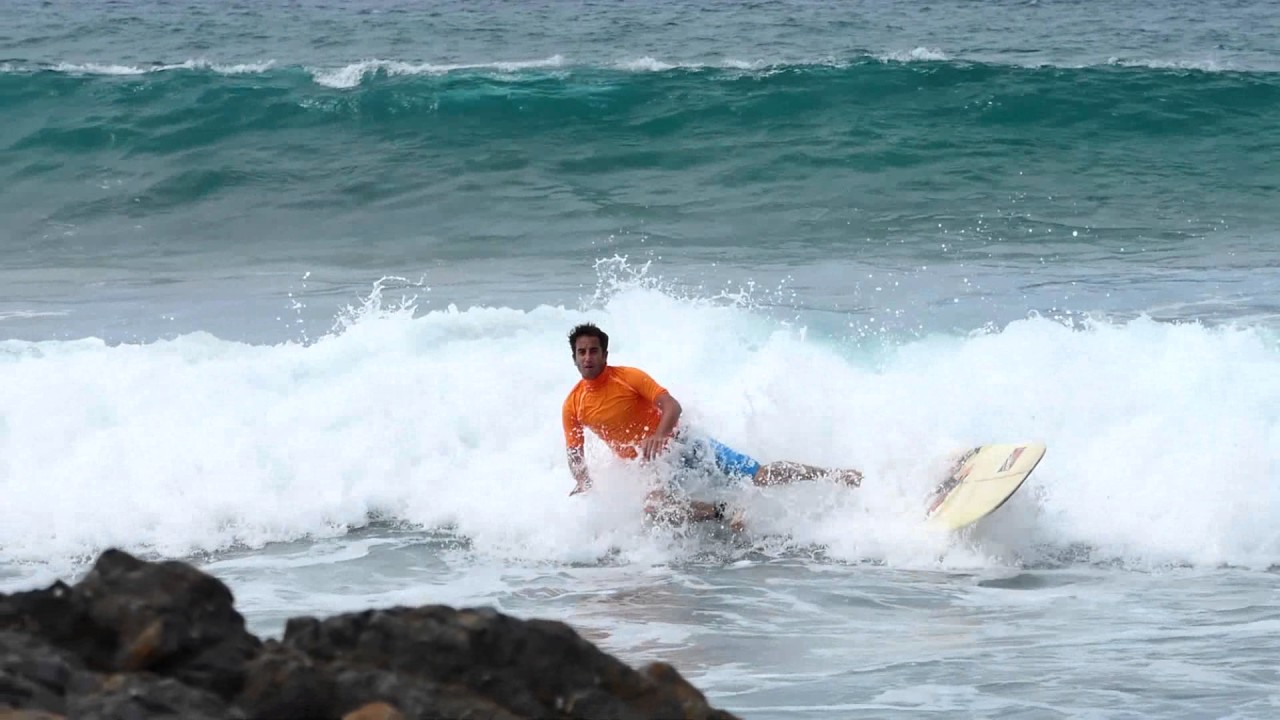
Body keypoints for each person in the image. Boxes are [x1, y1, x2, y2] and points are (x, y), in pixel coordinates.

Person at [562, 323, 862, 524]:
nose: (588, 357)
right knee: (656, 510)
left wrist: (658, 435)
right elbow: (575, 453)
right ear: (574, 358)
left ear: (605, 353)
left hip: (684, 443)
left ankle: (834, 475)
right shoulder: (573, 404)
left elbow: (672, 406)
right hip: (652, 466)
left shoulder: (628, 377)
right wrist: (582, 480)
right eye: (582, 352)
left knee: (760, 475)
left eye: (593, 350)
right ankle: (726, 512)